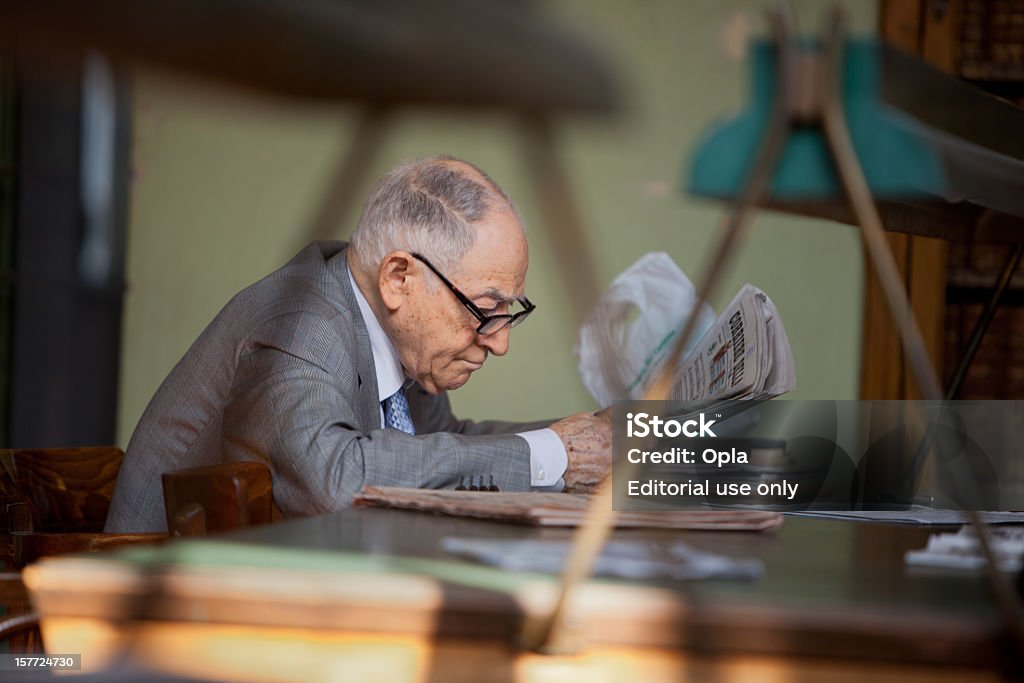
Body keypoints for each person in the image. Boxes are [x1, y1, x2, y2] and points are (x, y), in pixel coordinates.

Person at [106, 155, 611, 533]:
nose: (499, 342)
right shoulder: (298, 329)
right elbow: (336, 482)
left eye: (509, 314)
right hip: (164, 622)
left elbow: (444, 444)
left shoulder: (385, 327)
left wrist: (588, 444)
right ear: (398, 278)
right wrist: (551, 455)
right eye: (484, 309)